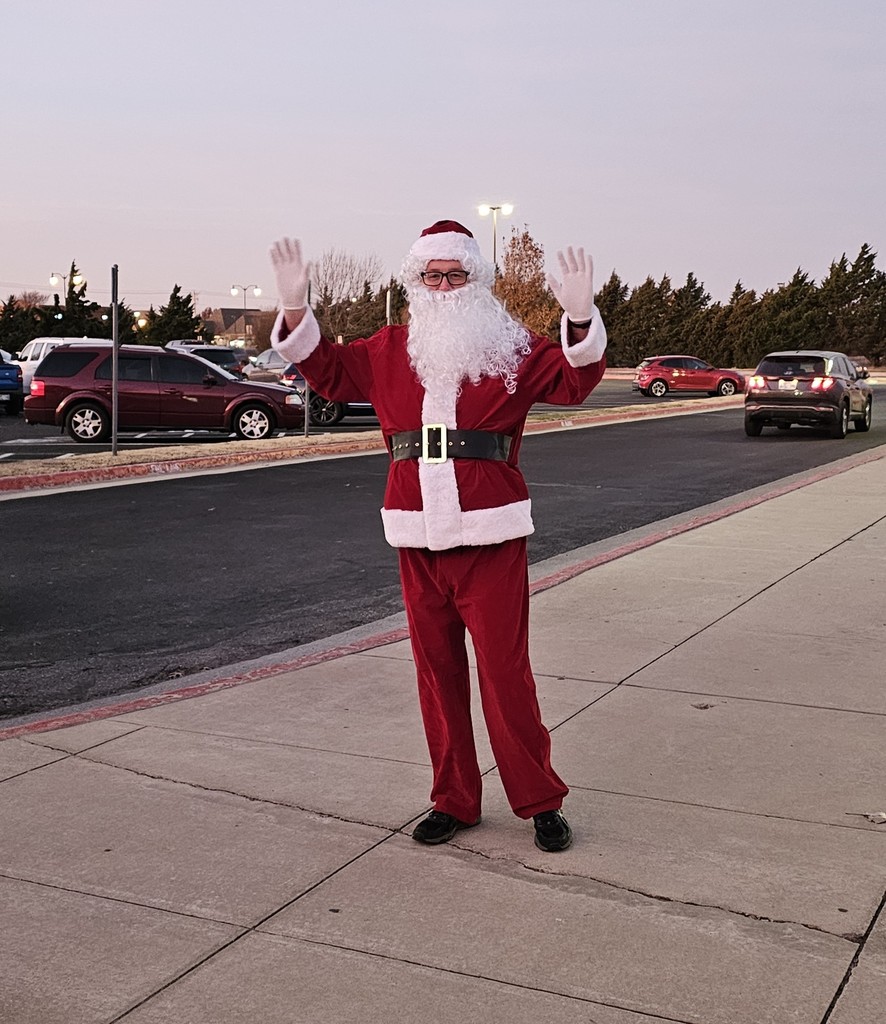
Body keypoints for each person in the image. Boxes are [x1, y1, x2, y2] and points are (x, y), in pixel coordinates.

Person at [269, 220, 606, 852]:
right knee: (436, 672)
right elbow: (328, 372)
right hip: (416, 531)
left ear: (478, 280)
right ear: (416, 281)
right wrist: (295, 310)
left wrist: (581, 319)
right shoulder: (389, 348)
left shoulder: (510, 347)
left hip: (491, 534)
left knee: (506, 674)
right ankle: (453, 798)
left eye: (456, 274)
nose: (444, 285)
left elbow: (574, 382)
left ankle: (539, 801)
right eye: (433, 274)